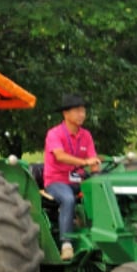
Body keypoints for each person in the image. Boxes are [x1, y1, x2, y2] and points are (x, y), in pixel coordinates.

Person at [43, 92, 101, 262]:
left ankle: (96, 234)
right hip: (56, 181)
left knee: (99, 192)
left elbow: (94, 162)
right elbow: (60, 156)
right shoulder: (54, 134)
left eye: (83, 110)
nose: (82, 114)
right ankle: (66, 244)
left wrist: (97, 175)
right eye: (77, 110)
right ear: (65, 114)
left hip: (78, 180)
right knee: (68, 199)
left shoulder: (86, 135)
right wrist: (84, 162)